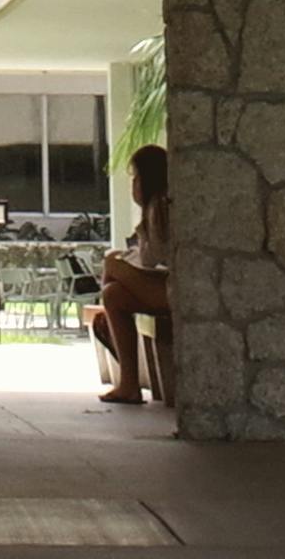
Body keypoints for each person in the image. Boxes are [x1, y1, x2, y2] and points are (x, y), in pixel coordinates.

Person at [92, 143, 175, 405]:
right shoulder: (156, 207)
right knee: (113, 294)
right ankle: (128, 384)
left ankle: (106, 325)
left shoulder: (160, 207)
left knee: (111, 262)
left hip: (174, 290)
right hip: (164, 285)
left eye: (136, 178)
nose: (133, 185)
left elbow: (152, 258)